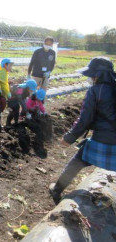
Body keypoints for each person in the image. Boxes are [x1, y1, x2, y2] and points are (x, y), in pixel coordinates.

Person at [49, 57, 116, 204]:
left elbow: (84, 120)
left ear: (97, 75)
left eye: (92, 75)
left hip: (103, 140)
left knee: (78, 160)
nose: (91, 78)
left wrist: (69, 138)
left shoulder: (95, 91)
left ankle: (56, 189)